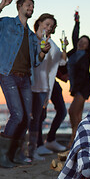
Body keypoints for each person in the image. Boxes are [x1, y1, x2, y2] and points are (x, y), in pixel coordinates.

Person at [0, 0, 50, 168]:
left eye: (32, 7)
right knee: (17, 114)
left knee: (27, 118)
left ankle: (18, 153)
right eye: (28, 5)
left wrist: (44, 51)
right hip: (8, 74)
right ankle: (3, 156)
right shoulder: (7, 22)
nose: (31, 8)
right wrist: (1, 5)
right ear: (19, 7)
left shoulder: (31, 35)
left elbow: (36, 61)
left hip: (25, 78)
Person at [27, 13, 68, 161]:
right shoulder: (31, 39)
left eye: (51, 26)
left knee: (44, 114)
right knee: (34, 116)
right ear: (39, 23)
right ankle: (35, 147)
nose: (49, 27)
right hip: (33, 81)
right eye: (46, 24)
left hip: (47, 82)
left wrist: (64, 47)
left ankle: (42, 144)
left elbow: (62, 62)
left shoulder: (51, 42)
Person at [66, 10, 90, 148]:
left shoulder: (84, 56)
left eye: (85, 43)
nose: (82, 43)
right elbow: (74, 36)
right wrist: (77, 22)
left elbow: (82, 75)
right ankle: (78, 139)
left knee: (72, 111)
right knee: (77, 115)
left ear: (88, 47)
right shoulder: (74, 53)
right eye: (81, 41)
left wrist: (76, 89)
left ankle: (73, 139)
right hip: (77, 86)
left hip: (83, 87)